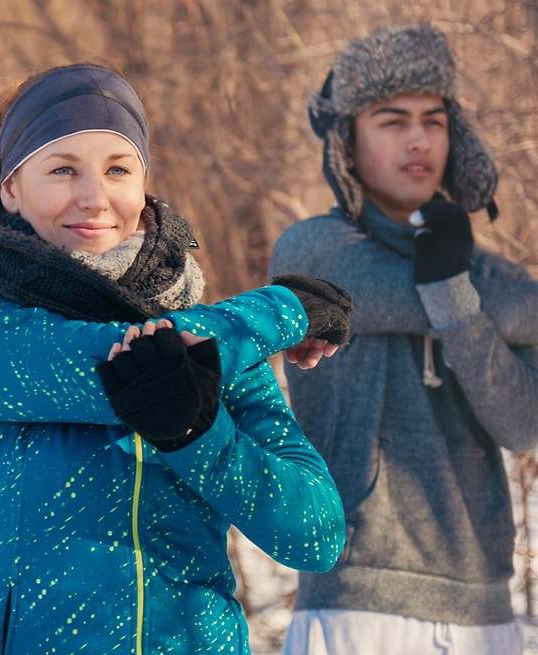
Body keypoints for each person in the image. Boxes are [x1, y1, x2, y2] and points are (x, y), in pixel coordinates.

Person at [0, 63, 351, 654]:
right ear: (10, 189)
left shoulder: (219, 347)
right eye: (62, 169)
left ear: (143, 186)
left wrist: (200, 437)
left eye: (117, 169)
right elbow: (117, 368)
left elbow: (316, 536)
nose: (94, 198)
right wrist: (283, 310)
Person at [272, 24, 538, 654]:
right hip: (356, 598)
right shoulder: (313, 251)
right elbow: (521, 309)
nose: (418, 139)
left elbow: (523, 426)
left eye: (434, 120)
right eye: (391, 121)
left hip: (485, 607)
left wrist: (451, 288)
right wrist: (457, 290)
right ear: (349, 141)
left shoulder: (488, 274)